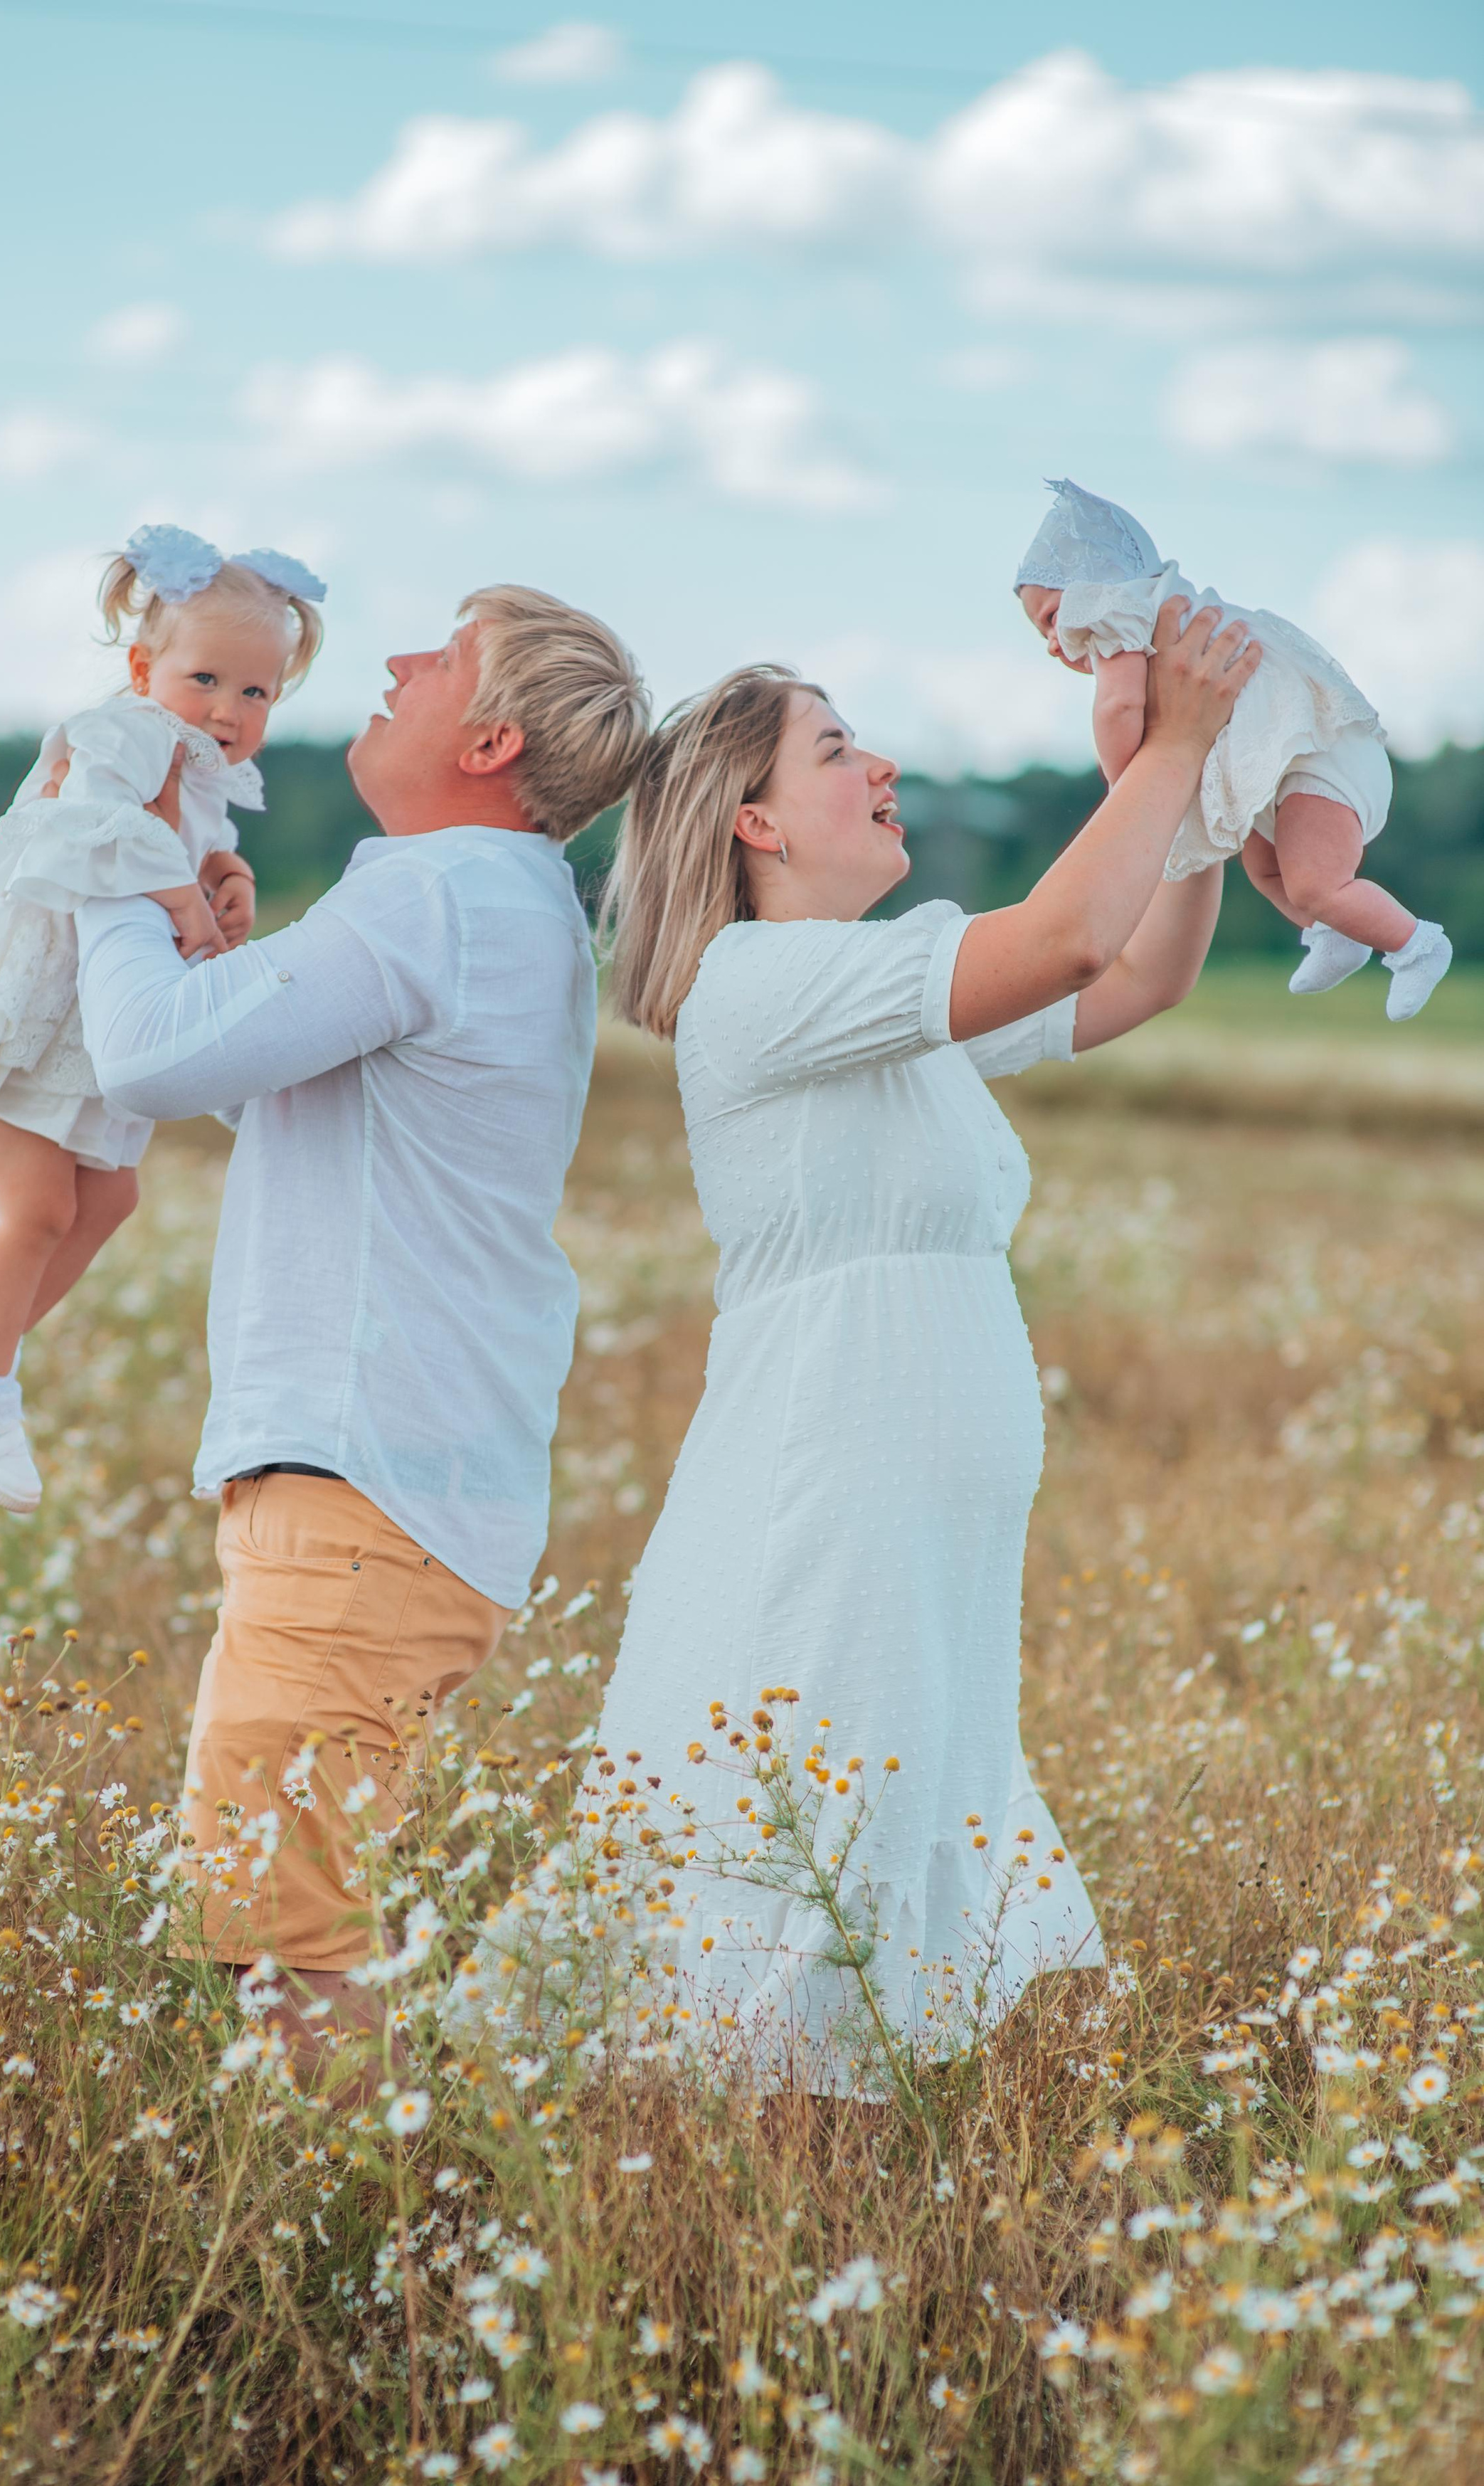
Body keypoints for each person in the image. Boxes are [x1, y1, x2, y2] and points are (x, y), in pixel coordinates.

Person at [591, 594, 1258, 2087]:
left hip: (920, 1533)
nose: (880, 763)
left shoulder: (883, 986)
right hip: (830, 1501)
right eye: (836, 749)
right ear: (755, 824)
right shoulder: (758, 985)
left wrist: (1180, 791)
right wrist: (1175, 748)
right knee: (797, 1874)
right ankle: (731, 2192)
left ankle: (802, 2184)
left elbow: (1138, 972)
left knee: (868, 1862)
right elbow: (1071, 939)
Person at [73, 585, 650, 2075]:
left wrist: (106, 857)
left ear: (492, 741)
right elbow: (258, 1077)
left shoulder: (439, 896)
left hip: (359, 1488)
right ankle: (362, 2188)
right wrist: (213, 963)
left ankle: (358, 2208)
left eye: (440, 656)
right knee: (288, 1901)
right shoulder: (492, 902)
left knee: (285, 1930)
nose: (394, 662)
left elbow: (143, 1061)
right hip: (395, 1488)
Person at [0, 524, 327, 1513]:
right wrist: (185, 904)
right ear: (141, 669)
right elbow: (86, 830)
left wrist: (226, 874)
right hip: (23, 1019)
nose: (228, 710)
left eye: (257, 692)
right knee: (38, 1210)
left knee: (110, 1200)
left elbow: (184, 849)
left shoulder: (205, 774)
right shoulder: (122, 735)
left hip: (86, 1035)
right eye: (206, 679)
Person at [1015, 477, 1449, 1020]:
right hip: (1294, 765)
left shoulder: (1111, 612)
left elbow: (1118, 708)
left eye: (1051, 618)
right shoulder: (1156, 608)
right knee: (1265, 866)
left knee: (1314, 883)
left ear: (1089, 586)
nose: (1053, 643)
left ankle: (1416, 946)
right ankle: (1334, 931)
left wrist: (1126, 791)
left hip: (1321, 758)